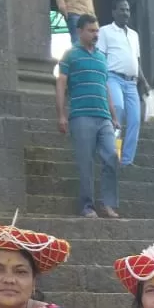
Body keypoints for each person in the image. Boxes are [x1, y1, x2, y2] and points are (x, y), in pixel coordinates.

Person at [56, 14, 120, 219]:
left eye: (97, 30)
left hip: (104, 117)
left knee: (111, 157)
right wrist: (61, 114)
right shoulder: (70, 55)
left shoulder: (102, 57)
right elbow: (61, 83)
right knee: (86, 163)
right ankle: (87, 206)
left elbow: (105, 86)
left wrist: (113, 114)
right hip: (81, 116)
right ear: (80, 31)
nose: (96, 34)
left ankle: (108, 205)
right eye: (91, 30)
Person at [96, 0, 149, 167]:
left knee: (135, 119)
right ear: (113, 12)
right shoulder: (105, 31)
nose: (125, 13)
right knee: (117, 109)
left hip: (132, 82)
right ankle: (114, 153)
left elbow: (136, 61)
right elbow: (101, 57)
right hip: (113, 77)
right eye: (122, 9)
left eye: (127, 10)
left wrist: (144, 80)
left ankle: (127, 160)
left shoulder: (134, 35)